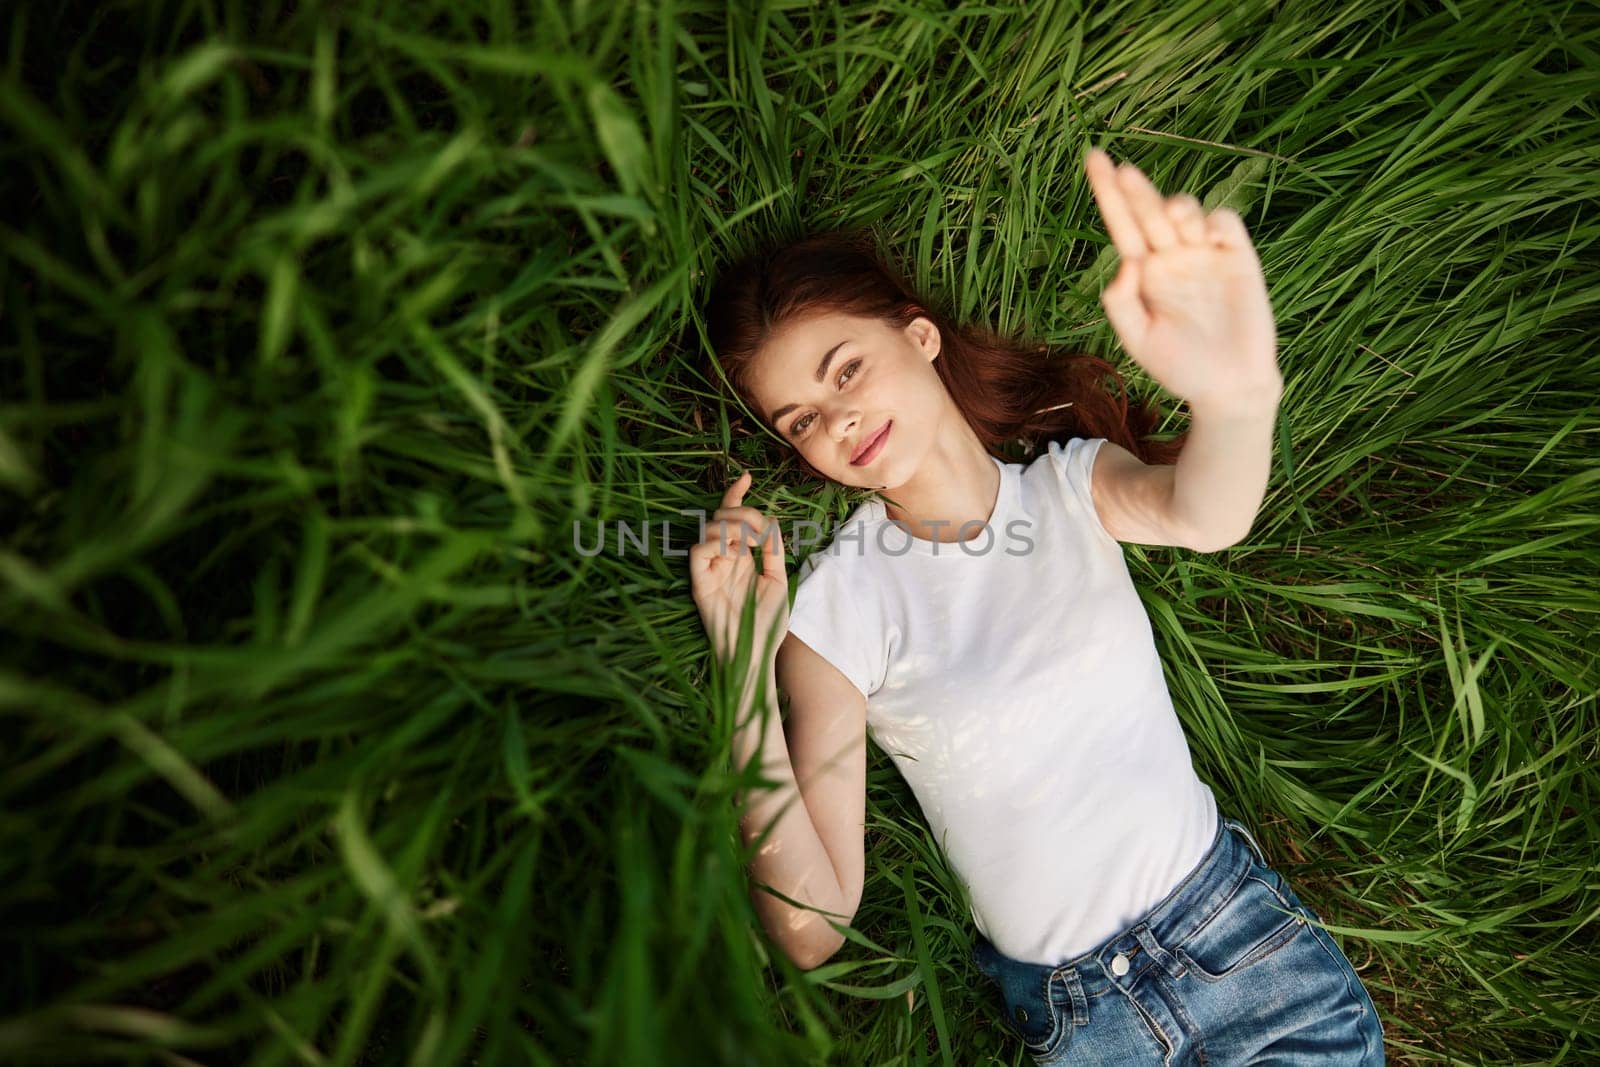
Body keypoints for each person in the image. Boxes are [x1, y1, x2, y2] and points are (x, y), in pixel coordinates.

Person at [688, 147, 1386, 1064]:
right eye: (801, 419)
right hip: (1086, 1022)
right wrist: (740, 663)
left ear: (920, 336)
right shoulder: (836, 612)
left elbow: (1208, 515)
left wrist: (1237, 397)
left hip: (1243, 953)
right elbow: (814, 924)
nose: (837, 420)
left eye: (845, 370)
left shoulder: (1067, 489)